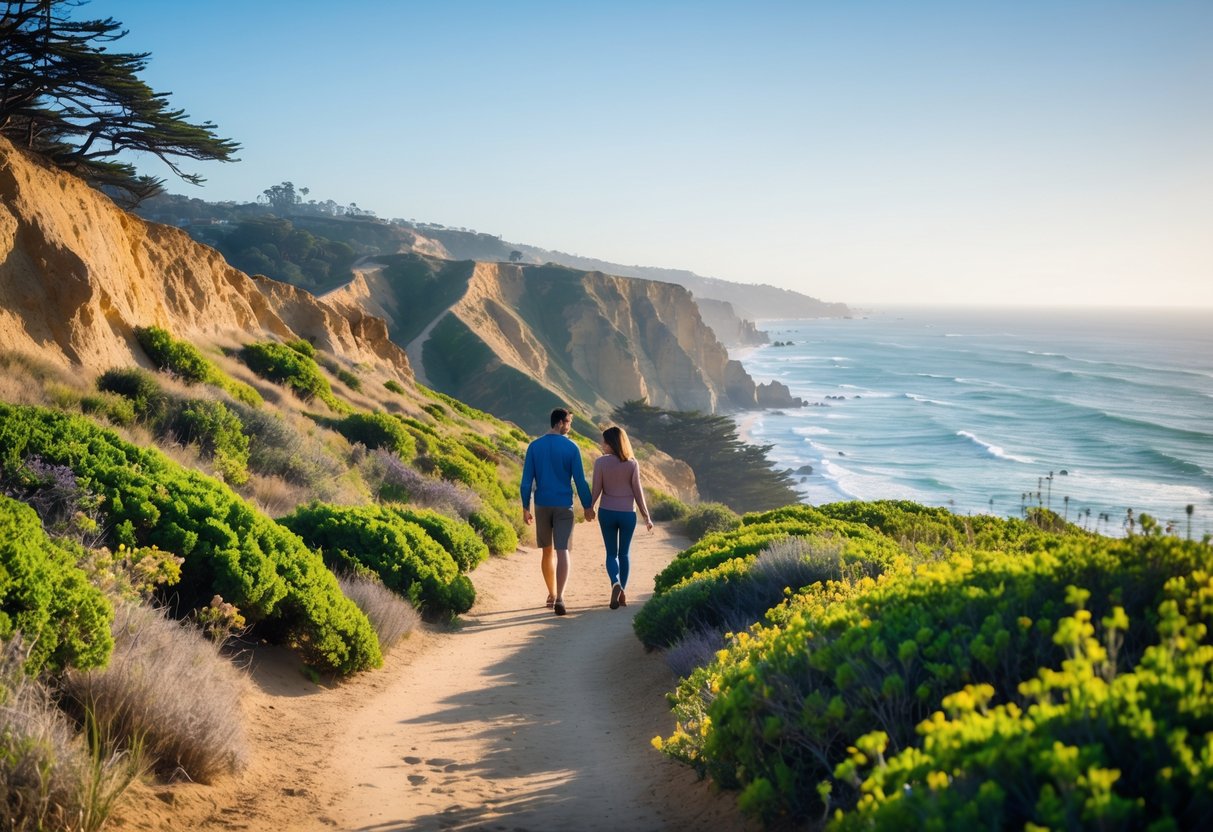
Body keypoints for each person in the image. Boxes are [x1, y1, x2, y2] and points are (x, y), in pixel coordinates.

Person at [520, 407, 594, 616]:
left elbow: (526, 482)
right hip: (564, 505)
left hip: (542, 504)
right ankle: (561, 596)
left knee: (546, 551)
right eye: (569, 423)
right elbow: (580, 480)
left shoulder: (534, 446)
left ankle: (551, 594)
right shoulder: (572, 447)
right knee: (563, 551)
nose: (570, 427)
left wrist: (525, 507)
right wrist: (588, 506)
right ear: (560, 423)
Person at [589, 425, 652, 610]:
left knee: (611, 553)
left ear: (610, 443)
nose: (602, 444)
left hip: (607, 512)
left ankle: (615, 583)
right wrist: (646, 517)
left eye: (604, 441)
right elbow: (638, 492)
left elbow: (596, 489)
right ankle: (622, 591)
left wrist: (590, 507)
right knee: (624, 554)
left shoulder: (600, 462)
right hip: (627, 514)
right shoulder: (632, 463)